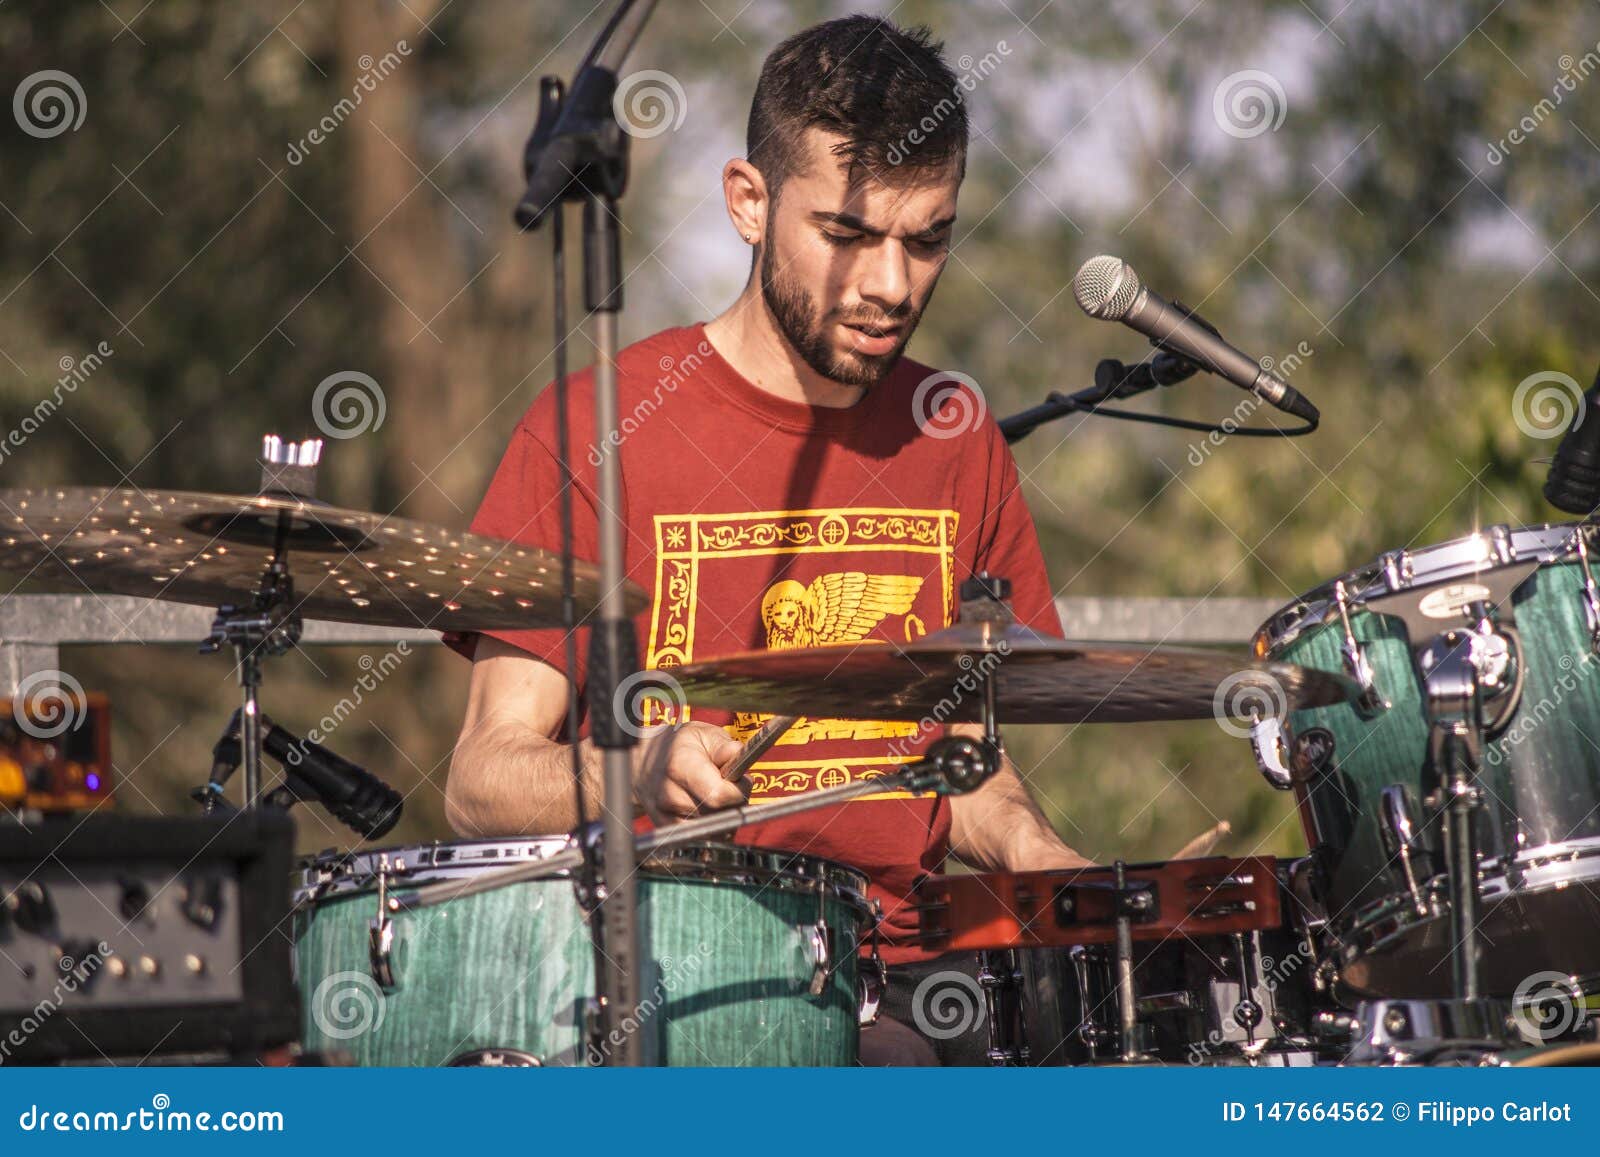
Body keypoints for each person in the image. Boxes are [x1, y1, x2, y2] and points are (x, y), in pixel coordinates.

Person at [443, 14, 1089, 1065]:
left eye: (926, 240)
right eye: (846, 235)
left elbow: (960, 764)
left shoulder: (956, 436)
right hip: (684, 977)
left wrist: (1040, 853)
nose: (890, 284)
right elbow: (479, 776)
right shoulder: (597, 426)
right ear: (749, 201)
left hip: (911, 979)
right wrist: (629, 771)